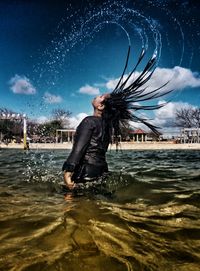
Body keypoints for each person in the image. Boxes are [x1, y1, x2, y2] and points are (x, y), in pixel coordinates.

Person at [62, 46, 171, 190]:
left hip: (86, 170)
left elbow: (79, 149)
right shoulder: (108, 125)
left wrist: (69, 169)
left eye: (100, 97)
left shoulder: (89, 121)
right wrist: (111, 97)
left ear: (100, 106)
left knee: (73, 204)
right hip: (102, 170)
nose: (99, 96)